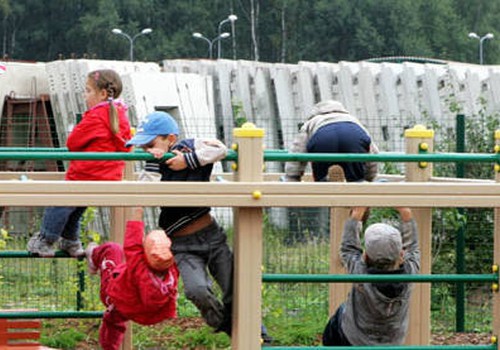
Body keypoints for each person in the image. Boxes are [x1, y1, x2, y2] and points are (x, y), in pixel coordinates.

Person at [125, 111, 234, 334]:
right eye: (143, 147)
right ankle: (225, 324)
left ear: (170, 139)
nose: (147, 150)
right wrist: (155, 163)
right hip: (181, 244)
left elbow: (220, 149)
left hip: (211, 235)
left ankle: (258, 333)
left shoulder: (189, 147)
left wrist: (187, 161)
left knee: (235, 286)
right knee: (196, 290)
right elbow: (147, 195)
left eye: (150, 144)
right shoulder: (153, 167)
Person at [27, 69, 132, 257]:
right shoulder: (120, 114)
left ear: (102, 94)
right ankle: (70, 241)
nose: (85, 95)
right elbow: (127, 145)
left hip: (87, 173)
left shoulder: (96, 115)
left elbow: (72, 142)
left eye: (87, 90)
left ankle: (46, 239)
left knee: (60, 199)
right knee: (75, 206)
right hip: (108, 176)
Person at [322, 206, 420, 346]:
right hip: (391, 342)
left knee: (339, 317)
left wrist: (357, 214)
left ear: (365, 256)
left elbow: (348, 249)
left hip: (354, 339)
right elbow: (413, 247)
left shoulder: (360, 273)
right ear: (401, 255)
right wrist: (406, 212)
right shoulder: (410, 274)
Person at [85, 206, 179, 350]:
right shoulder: (173, 271)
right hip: (141, 310)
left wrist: (138, 212)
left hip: (117, 298)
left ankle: (93, 256)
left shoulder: (140, 268)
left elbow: (132, 243)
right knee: (116, 322)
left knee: (113, 249)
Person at [284, 99, 379, 183]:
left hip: (323, 137)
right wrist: (369, 177)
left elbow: (298, 149)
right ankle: (357, 187)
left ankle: (325, 182)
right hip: (352, 135)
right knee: (355, 176)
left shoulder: (312, 121)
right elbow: (371, 150)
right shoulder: (352, 119)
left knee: (322, 176)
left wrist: (292, 177)